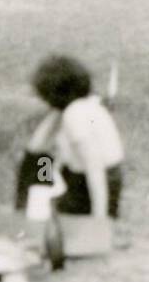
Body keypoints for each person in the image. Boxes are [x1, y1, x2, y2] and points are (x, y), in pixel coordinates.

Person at [15, 54, 124, 222]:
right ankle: (34, 205)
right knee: (37, 161)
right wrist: (57, 110)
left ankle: (34, 208)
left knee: (37, 168)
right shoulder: (81, 105)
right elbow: (36, 148)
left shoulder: (75, 115)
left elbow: (94, 168)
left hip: (95, 184)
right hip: (83, 178)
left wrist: (98, 220)